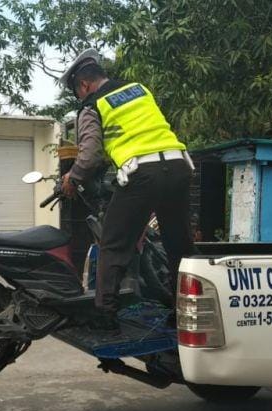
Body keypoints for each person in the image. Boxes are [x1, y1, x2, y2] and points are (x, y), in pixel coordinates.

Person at [58, 49, 195, 334]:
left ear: (83, 85)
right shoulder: (139, 90)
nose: (80, 97)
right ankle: (183, 313)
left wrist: (73, 177)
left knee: (113, 244)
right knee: (178, 245)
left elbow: (91, 154)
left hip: (142, 175)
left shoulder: (92, 106)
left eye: (78, 92)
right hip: (179, 166)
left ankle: (105, 316)